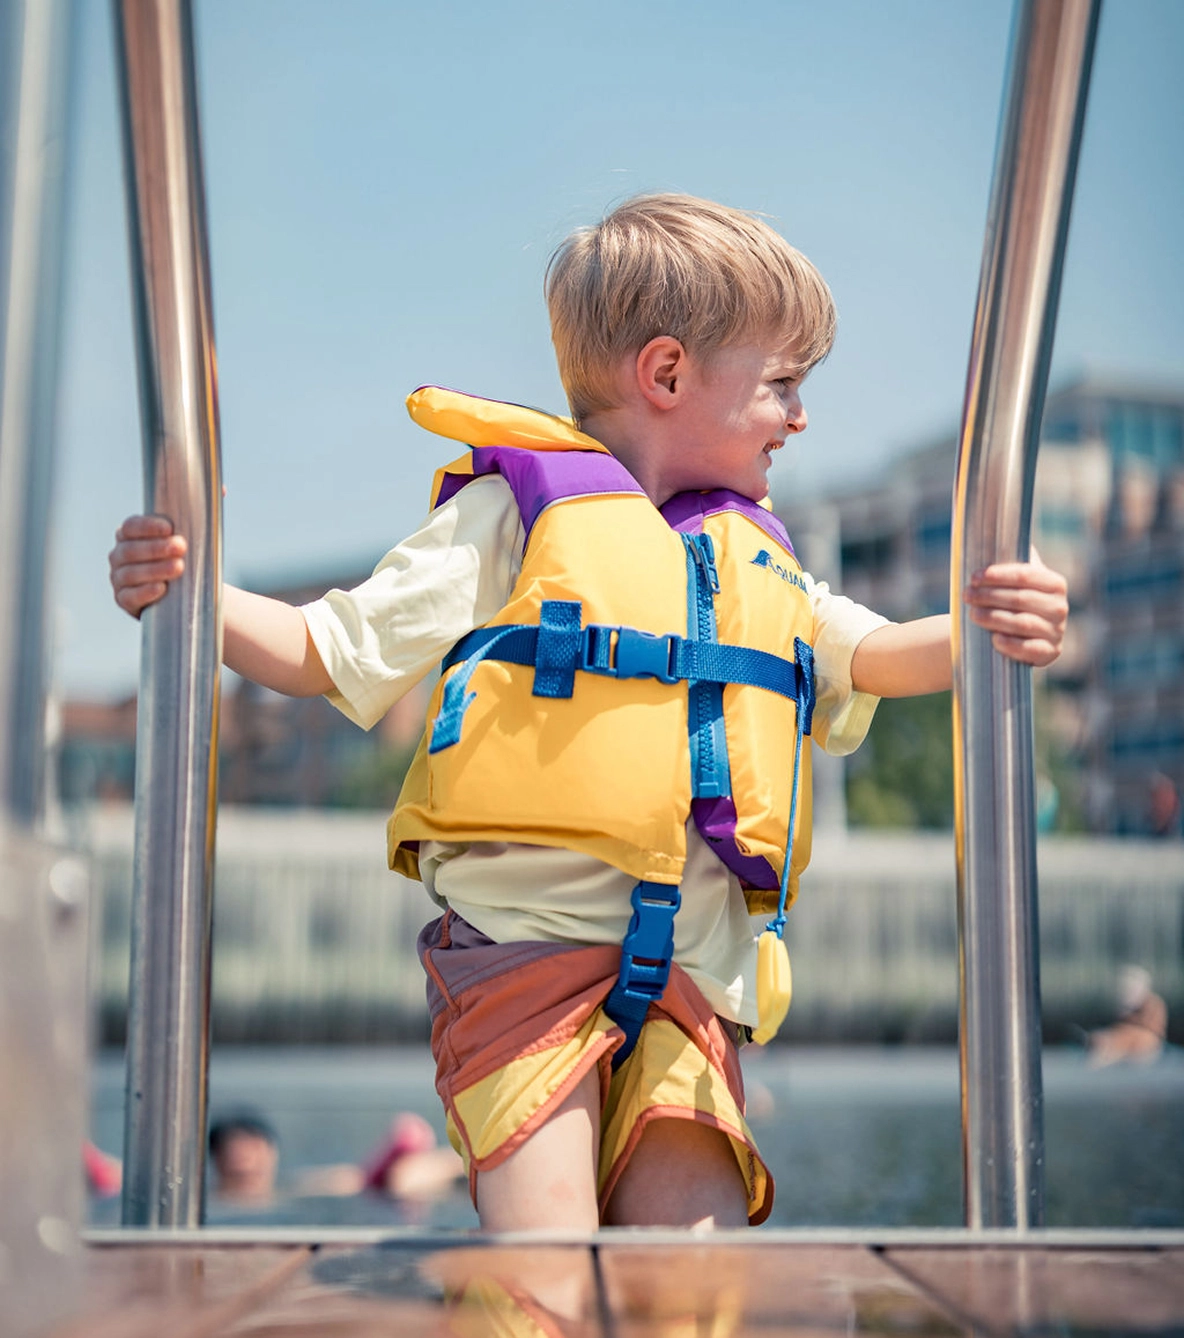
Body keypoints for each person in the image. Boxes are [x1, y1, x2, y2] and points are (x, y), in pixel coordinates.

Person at [109, 193, 1068, 1232]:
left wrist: (990, 625)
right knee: (547, 1273)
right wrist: (191, 587)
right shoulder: (512, 520)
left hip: (693, 983)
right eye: (783, 384)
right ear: (664, 375)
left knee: (684, 1282)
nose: (801, 417)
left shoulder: (759, 562)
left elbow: (875, 655)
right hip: (522, 965)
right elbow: (318, 650)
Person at [1088, 965, 1168, 1068]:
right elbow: (1119, 1025)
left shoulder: (1154, 1003)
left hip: (1146, 1041)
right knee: (1107, 1038)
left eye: (1132, 987)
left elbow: (1150, 1028)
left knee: (1122, 1039)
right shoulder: (1126, 1005)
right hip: (1124, 1040)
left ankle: (1108, 1053)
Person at [208, 1111, 280, 1203]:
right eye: (238, 1175)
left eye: (257, 1173)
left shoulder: (296, 1193)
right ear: (217, 1161)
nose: (248, 1162)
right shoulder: (208, 1202)